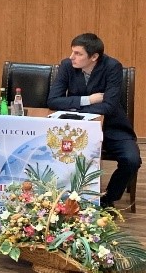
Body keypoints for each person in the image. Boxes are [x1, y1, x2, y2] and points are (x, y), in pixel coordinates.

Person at [47, 33, 141, 208]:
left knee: (132, 160)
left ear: (94, 57)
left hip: (111, 126)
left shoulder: (112, 67)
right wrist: (88, 100)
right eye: (72, 52)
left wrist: (72, 108)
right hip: (76, 129)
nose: (71, 57)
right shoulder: (67, 65)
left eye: (78, 54)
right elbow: (53, 101)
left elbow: (109, 106)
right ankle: (62, 197)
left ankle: (107, 199)